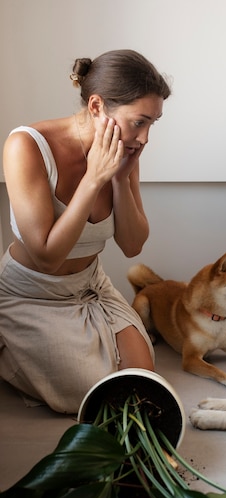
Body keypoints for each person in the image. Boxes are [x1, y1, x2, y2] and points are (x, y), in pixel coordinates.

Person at [0, 49, 171, 413]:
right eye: (139, 121)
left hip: (91, 285)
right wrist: (94, 178)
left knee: (141, 382)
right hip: (33, 293)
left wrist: (121, 180)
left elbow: (132, 245)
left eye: (152, 124)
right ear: (96, 106)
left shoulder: (123, 149)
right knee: (93, 393)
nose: (144, 138)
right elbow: (47, 257)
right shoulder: (26, 146)